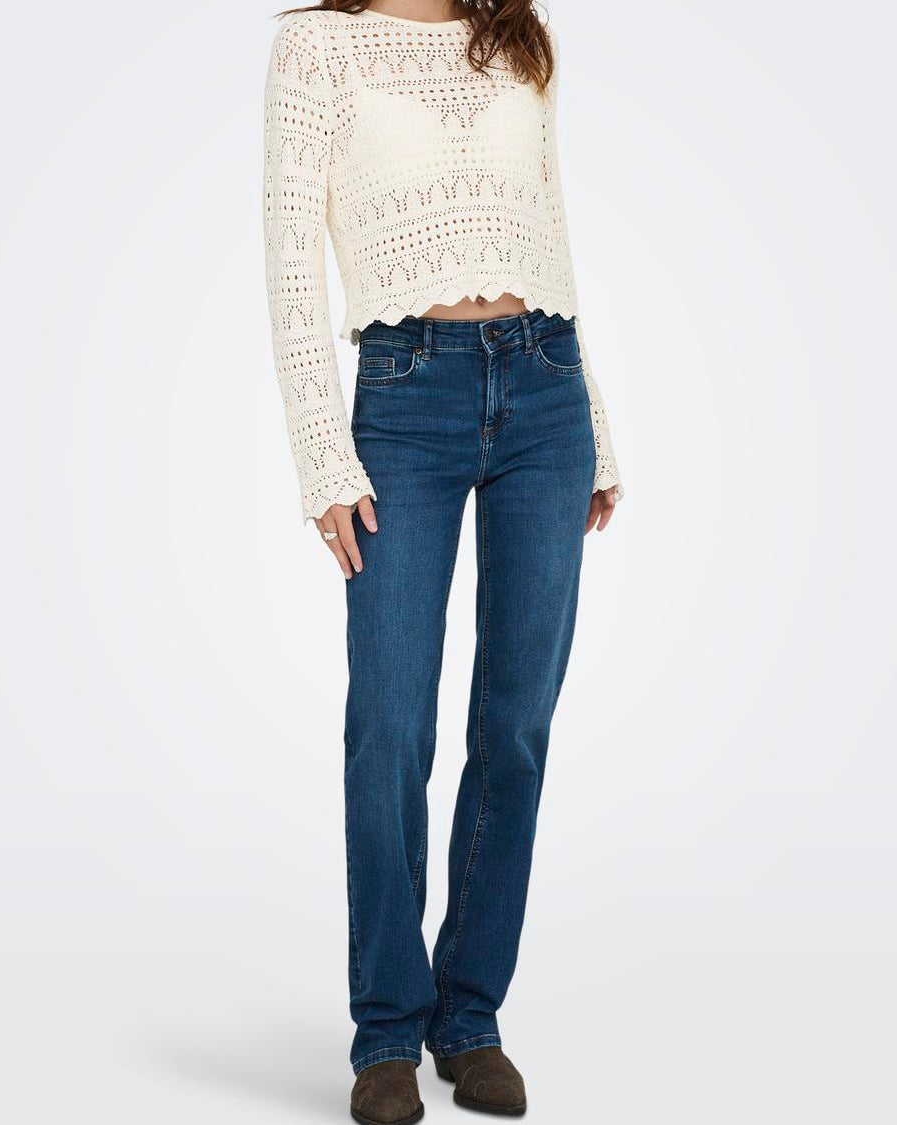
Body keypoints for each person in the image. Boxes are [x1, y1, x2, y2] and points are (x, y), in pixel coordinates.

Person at [263, 2, 622, 1120]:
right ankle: (386, 1030)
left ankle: (469, 1020)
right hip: (405, 395)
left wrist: (595, 424)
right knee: (389, 724)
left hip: (544, 389)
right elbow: (288, 257)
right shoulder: (318, 45)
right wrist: (322, 455)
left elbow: (547, 228)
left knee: (514, 725)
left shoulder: (516, 33)